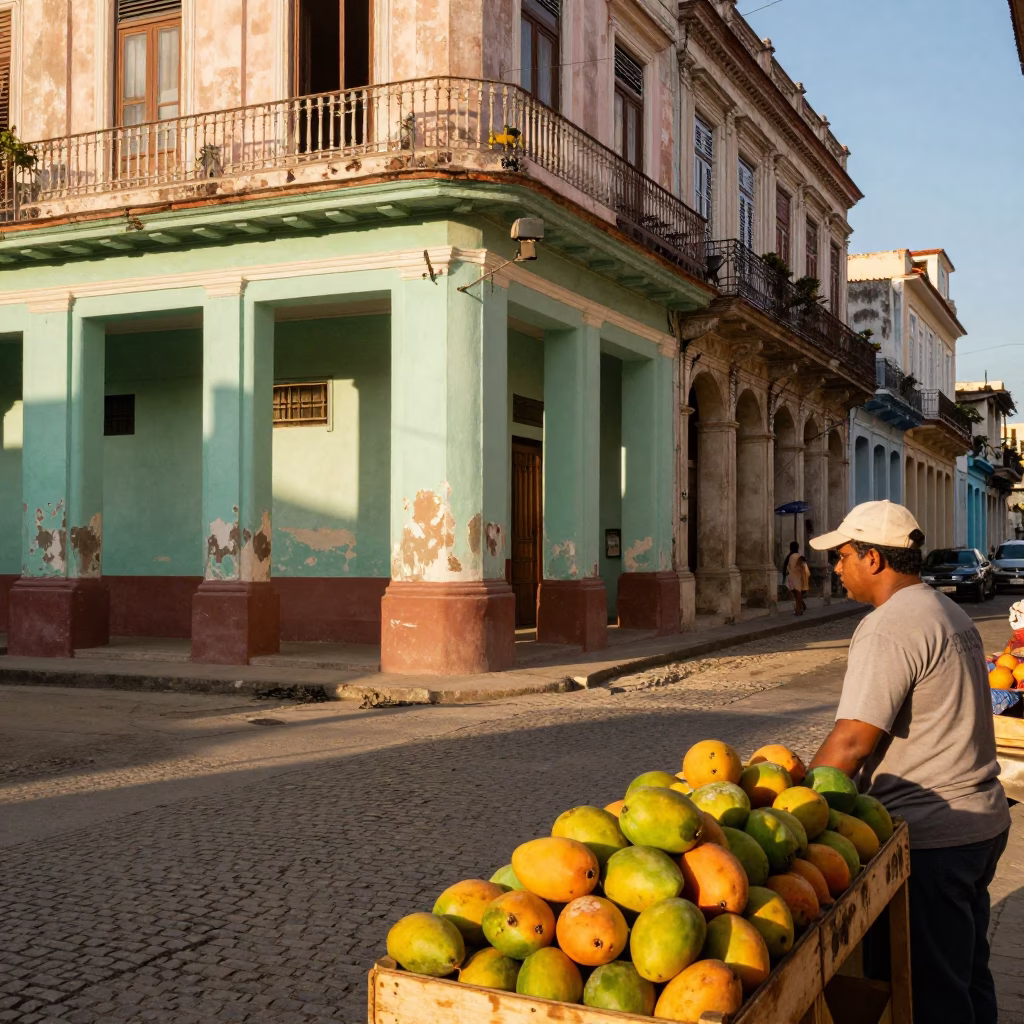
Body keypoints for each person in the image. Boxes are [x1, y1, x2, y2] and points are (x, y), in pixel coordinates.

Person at [807, 500, 1010, 1024]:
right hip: (978, 823)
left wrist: (797, 806)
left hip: (932, 838)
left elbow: (852, 740)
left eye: (843, 555)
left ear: (873, 560)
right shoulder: (944, 608)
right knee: (966, 974)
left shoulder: (889, 626)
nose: (837, 568)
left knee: (930, 993)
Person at [786, 550, 811, 616]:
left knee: (798, 596)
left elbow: (806, 572)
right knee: (798, 596)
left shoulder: (795, 559)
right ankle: (800, 609)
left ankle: (799, 610)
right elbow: (807, 573)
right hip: (796, 581)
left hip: (796, 580)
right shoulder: (796, 560)